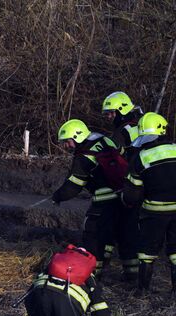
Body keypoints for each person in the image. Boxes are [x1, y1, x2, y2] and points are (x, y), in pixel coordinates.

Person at [51, 119, 134, 279]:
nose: (66, 146)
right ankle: (132, 275)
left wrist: (58, 196)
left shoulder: (84, 156)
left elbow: (74, 185)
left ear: (77, 136)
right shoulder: (106, 140)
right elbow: (126, 156)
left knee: (93, 233)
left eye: (68, 142)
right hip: (125, 195)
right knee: (122, 234)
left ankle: (94, 273)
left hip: (104, 200)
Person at [121, 112, 176, 296]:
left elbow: (132, 194)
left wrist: (126, 200)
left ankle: (143, 290)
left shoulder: (140, 157)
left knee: (147, 251)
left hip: (154, 212)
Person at [101, 91, 142, 281]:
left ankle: (107, 269)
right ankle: (132, 274)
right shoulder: (139, 125)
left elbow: (116, 159)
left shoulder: (122, 132)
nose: (109, 117)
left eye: (111, 113)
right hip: (142, 185)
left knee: (119, 228)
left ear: (122, 110)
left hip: (129, 186)